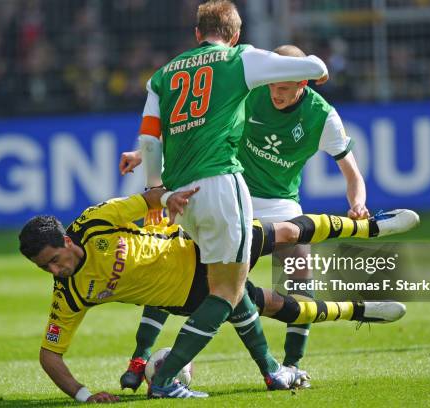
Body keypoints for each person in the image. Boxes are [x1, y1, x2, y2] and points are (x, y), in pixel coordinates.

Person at [119, 44, 369, 390]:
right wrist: (141, 152)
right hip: (234, 195)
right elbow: (195, 125)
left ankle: (292, 364)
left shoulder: (323, 116)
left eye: (284, 88)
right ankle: (139, 358)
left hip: (282, 203)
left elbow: (353, 174)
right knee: (179, 271)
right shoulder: (251, 93)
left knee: (300, 277)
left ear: (303, 85)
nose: (276, 93)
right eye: (273, 86)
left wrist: (357, 204)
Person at [19, 190, 418, 402]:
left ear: (67, 240)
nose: (55, 271)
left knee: (286, 233)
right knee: (278, 306)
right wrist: (85, 396)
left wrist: (167, 199)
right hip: (191, 296)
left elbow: (147, 199)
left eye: (54, 260)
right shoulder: (69, 293)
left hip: (196, 246)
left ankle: (371, 228)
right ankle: (359, 311)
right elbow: (49, 355)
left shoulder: (94, 222)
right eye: (45, 269)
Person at [136, 0, 329, 397]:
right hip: (222, 186)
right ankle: (167, 377)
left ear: (196, 33)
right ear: (236, 33)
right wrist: (315, 67)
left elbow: (148, 139)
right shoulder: (240, 58)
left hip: (178, 196)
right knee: (226, 290)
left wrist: (155, 187)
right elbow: (314, 69)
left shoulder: (162, 76)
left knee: (227, 287)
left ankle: (271, 370)